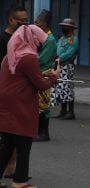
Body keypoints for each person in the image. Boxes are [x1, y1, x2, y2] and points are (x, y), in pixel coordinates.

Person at [0, 25, 60, 188]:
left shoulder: (10, 55)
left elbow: (23, 76)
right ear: (33, 40)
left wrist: (41, 75)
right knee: (24, 143)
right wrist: (54, 77)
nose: (40, 46)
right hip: (20, 105)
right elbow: (41, 85)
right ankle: (20, 181)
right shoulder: (28, 57)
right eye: (39, 42)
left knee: (7, 144)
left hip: (7, 105)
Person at [0, 5, 28, 182]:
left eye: (27, 20)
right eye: (21, 21)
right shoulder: (3, 40)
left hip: (21, 92)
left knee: (15, 132)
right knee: (7, 134)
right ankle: (10, 167)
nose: (25, 24)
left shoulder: (24, 39)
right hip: (6, 92)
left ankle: (12, 167)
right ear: (11, 20)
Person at [34, 9, 57, 141]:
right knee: (38, 104)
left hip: (45, 74)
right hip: (39, 74)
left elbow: (42, 59)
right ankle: (38, 131)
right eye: (36, 24)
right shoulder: (42, 37)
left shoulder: (50, 39)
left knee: (43, 104)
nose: (37, 27)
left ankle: (44, 133)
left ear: (47, 25)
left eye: (40, 25)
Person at [51, 18, 79, 120]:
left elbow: (70, 53)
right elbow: (56, 49)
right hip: (57, 64)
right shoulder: (62, 39)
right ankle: (63, 111)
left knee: (67, 87)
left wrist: (59, 58)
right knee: (59, 87)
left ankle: (71, 112)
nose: (63, 28)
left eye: (65, 27)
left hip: (66, 66)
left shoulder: (73, 39)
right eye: (63, 26)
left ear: (71, 28)